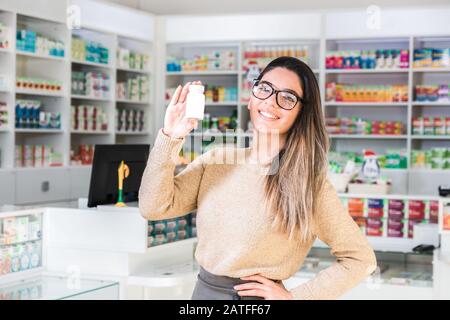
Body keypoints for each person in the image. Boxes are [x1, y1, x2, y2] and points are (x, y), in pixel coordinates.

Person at [139, 56, 377, 300]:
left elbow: (360, 259)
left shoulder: (308, 185)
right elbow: (153, 207)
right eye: (264, 89)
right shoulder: (215, 161)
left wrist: (296, 298)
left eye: (287, 98)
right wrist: (170, 136)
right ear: (251, 99)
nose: (271, 102)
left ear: (301, 112)